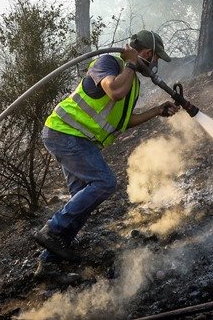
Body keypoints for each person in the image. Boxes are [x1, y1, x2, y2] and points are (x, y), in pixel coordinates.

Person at [33, 30, 180, 270]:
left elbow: (122, 122)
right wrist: (131, 63)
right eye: (156, 59)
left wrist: (156, 111)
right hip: (65, 132)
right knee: (105, 183)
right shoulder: (108, 62)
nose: (155, 66)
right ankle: (52, 229)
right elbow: (115, 91)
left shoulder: (131, 80)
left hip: (78, 139)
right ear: (147, 53)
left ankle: (48, 264)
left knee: (82, 202)